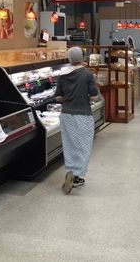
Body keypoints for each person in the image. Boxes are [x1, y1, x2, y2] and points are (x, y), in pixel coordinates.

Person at [56, 47, 100, 194]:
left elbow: (58, 97)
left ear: (69, 59)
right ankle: (77, 175)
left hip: (66, 114)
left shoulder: (62, 75)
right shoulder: (87, 74)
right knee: (83, 145)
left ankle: (70, 170)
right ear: (82, 58)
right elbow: (94, 97)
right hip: (83, 114)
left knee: (69, 145)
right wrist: (84, 97)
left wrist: (68, 97)